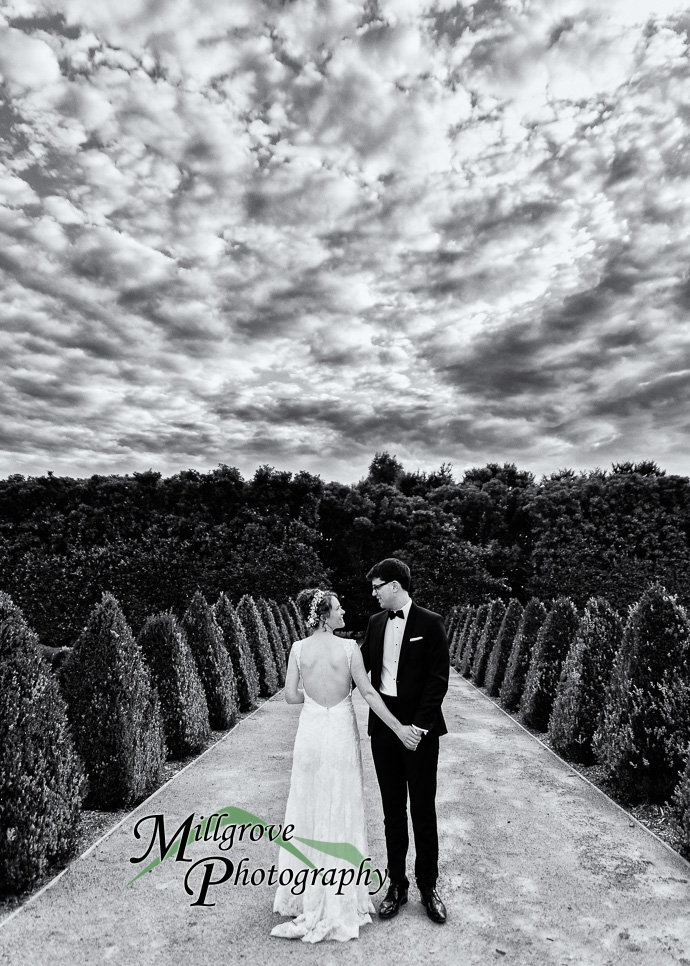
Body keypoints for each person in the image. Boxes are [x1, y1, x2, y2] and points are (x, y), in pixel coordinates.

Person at [271, 587, 419, 943]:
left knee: (306, 804)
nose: (344, 614)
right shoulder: (349, 649)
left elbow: (290, 696)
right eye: (339, 609)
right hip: (338, 730)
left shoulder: (298, 649)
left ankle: (303, 893)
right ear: (324, 614)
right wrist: (398, 727)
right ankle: (339, 892)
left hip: (310, 731)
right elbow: (368, 693)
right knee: (340, 804)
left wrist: (315, 700)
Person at [360, 557, 450, 924]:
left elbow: (438, 680)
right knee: (392, 811)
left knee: (423, 810)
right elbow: (359, 668)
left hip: (421, 732)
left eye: (377, 586)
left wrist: (418, 727)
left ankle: (429, 886)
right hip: (383, 731)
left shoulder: (431, 623)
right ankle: (396, 884)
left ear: (395, 586)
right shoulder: (375, 622)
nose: (374, 593)